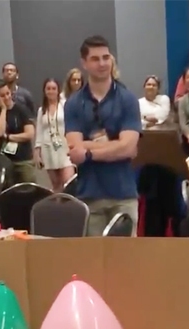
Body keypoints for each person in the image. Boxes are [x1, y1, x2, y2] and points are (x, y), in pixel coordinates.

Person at [65, 35, 141, 237]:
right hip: (90, 196)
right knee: (93, 264)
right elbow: (74, 149)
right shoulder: (73, 104)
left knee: (127, 262)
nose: (102, 63)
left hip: (123, 195)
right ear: (84, 63)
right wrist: (116, 146)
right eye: (95, 59)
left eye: (106, 57)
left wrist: (88, 152)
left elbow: (129, 148)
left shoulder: (128, 99)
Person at [0, 78, 36, 185]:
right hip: (5, 160)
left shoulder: (22, 110)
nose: (7, 97)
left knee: (29, 186)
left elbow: (29, 134)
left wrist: (9, 137)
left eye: (8, 93)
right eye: (2, 95)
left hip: (23, 159)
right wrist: (4, 110)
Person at [35, 79, 74, 192]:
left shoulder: (65, 105)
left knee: (68, 181)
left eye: (53, 88)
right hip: (48, 148)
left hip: (65, 146)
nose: (51, 91)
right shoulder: (41, 110)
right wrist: (37, 152)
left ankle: (72, 207)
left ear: (58, 90)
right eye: (48, 89)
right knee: (56, 184)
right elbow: (39, 131)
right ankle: (58, 207)